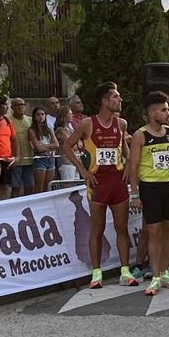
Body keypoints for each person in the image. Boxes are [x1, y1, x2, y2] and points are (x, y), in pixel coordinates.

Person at [60, 82, 137, 289]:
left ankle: (125, 271)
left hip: (117, 181)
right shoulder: (87, 124)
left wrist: (129, 164)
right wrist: (82, 170)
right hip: (97, 182)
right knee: (97, 228)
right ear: (105, 100)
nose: (120, 100)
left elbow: (124, 147)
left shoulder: (121, 123)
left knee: (122, 228)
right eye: (116, 97)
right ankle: (96, 273)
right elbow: (67, 146)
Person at [126, 92, 169, 296]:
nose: (167, 113)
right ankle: (155, 276)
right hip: (149, 188)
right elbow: (133, 167)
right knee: (154, 232)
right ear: (151, 113)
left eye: (167, 108)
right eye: (163, 109)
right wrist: (134, 195)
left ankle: (164, 270)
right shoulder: (140, 135)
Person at [29, 105, 58, 194]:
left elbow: (56, 144)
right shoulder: (32, 130)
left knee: (48, 187)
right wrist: (49, 146)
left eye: (42, 114)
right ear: (34, 116)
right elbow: (38, 148)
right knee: (39, 188)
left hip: (50, 158)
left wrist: (44, 145)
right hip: (40, 159)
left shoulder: (49, 128)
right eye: (38, 114)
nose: (41, 116)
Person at [8, 97, 34, 197]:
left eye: (22, 104)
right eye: (18, 105)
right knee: (15, 188)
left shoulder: (30, 120)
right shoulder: (8, 121)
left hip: (30, 159)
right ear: (12, 107)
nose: (21, 107)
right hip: (15, 160)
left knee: (30, 187)